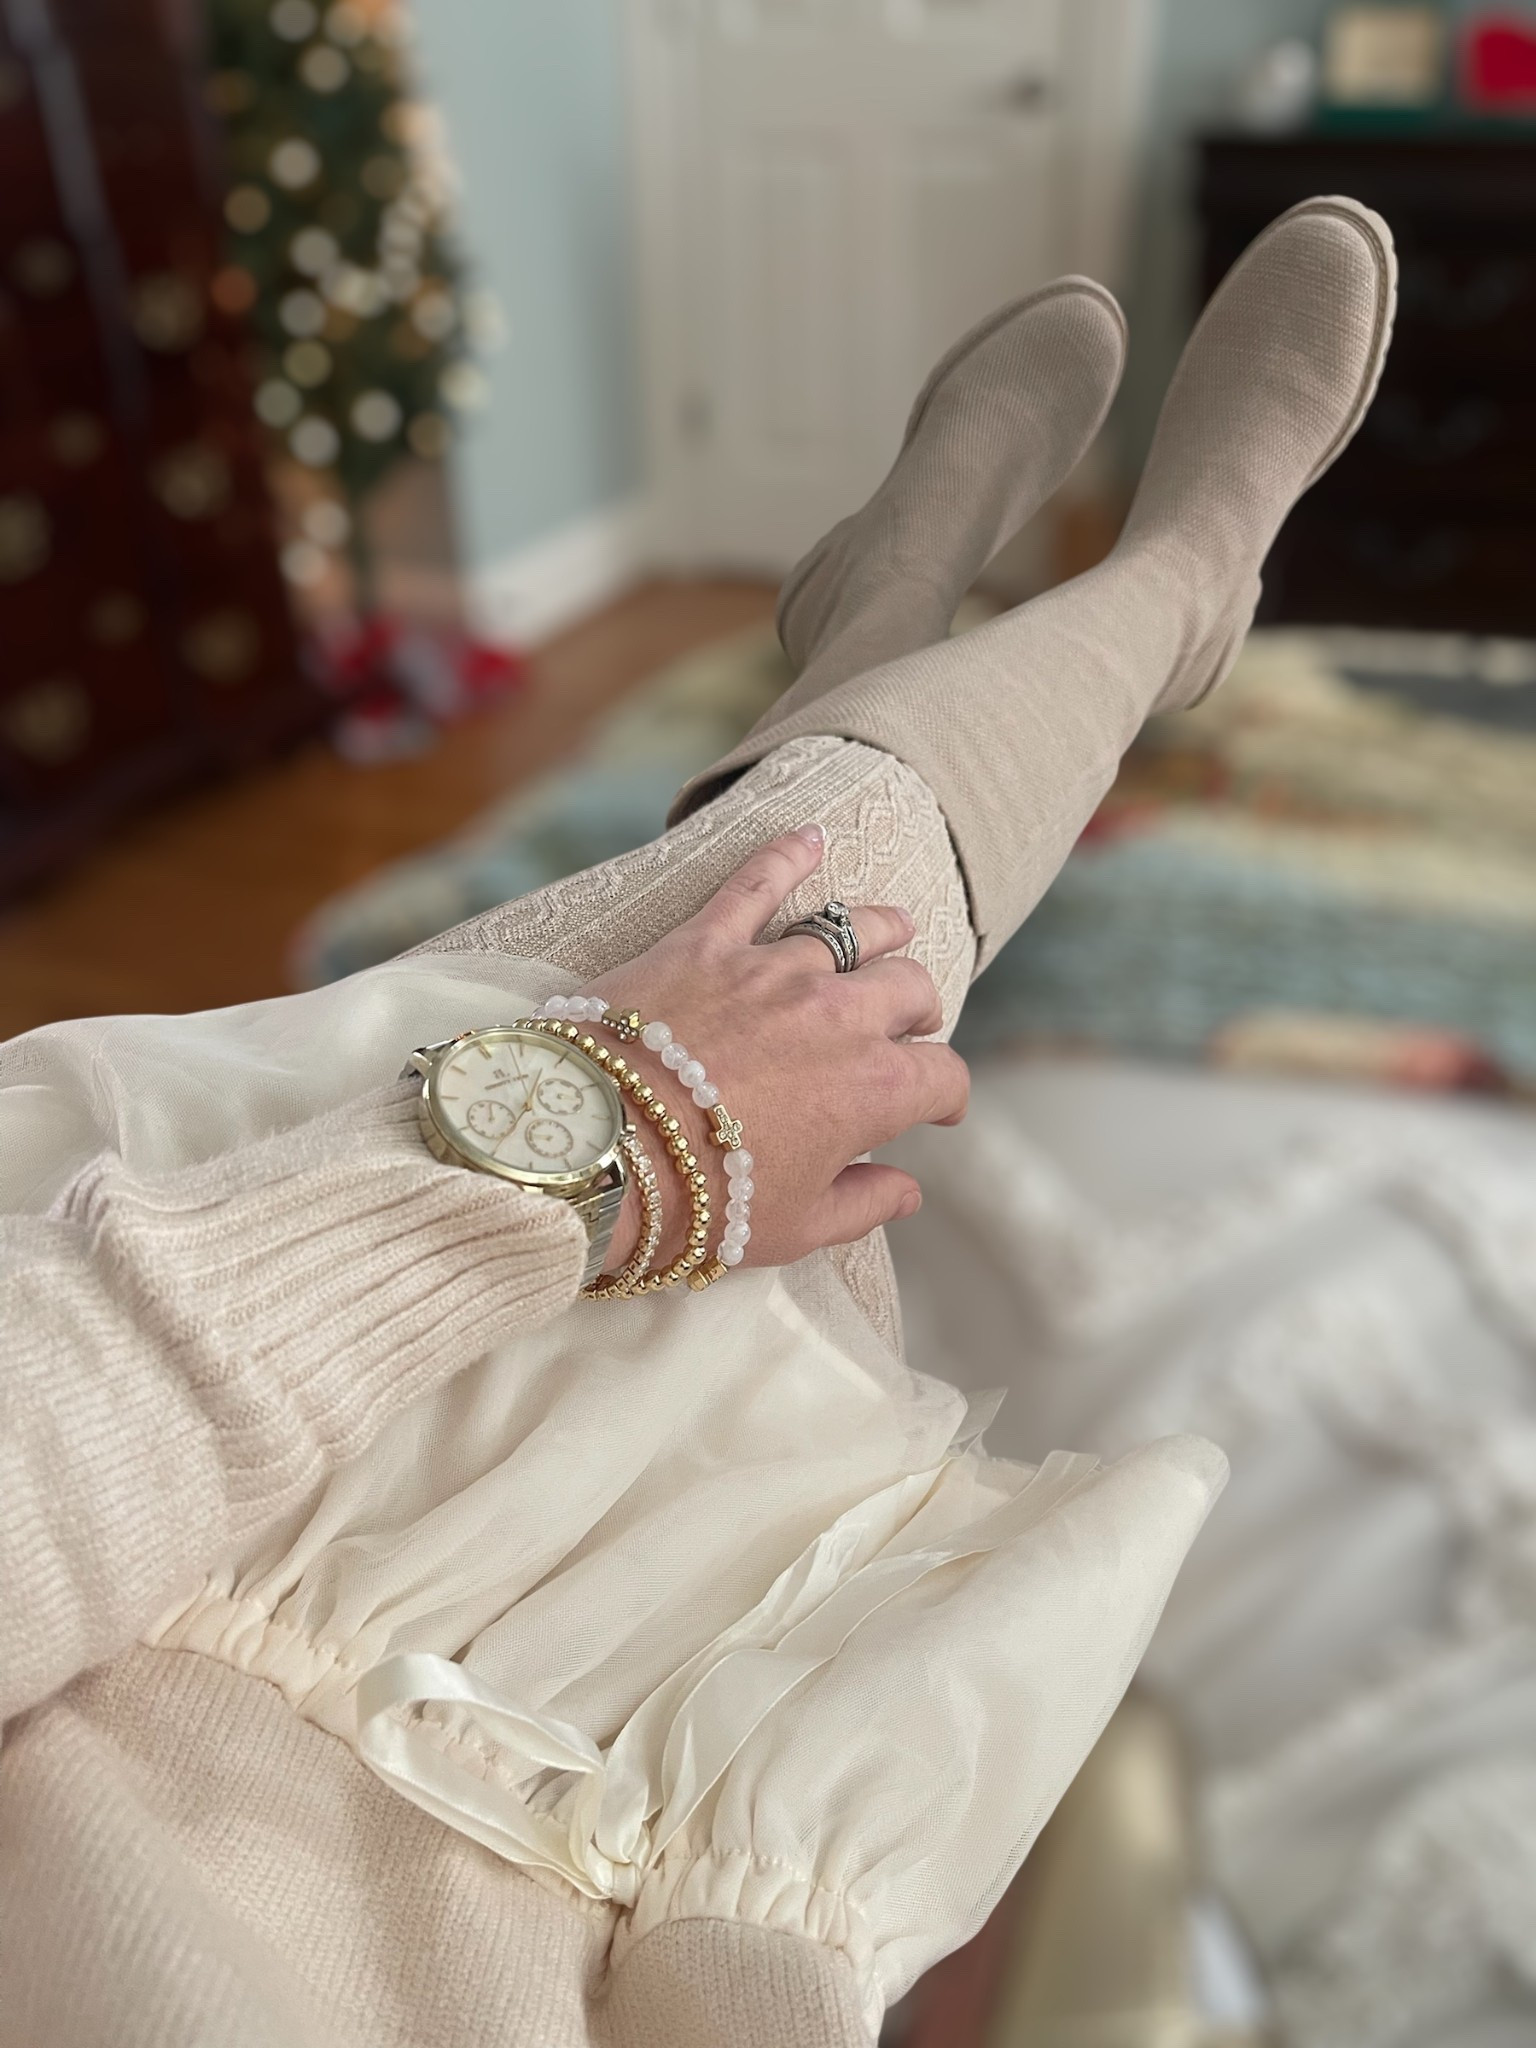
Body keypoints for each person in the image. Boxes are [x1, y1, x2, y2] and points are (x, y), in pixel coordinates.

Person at [0, 198, 1394, 2048]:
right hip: (524, 1801)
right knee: (802, 970)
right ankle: (1118, 596)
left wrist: (609, 1124)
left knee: (786, 951)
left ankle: (1079, 609)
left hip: (142, 1517)